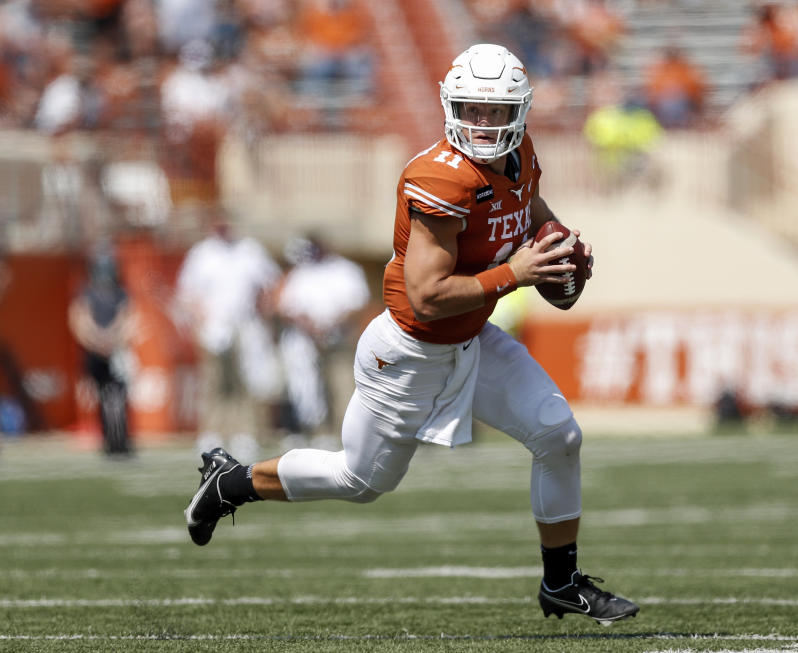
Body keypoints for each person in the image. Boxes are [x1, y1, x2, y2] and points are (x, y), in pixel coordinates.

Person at [184, 43, 639, 626]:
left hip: (472, 340)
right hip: (408, 351)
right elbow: (427, 295)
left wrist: (557, 244)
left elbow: (529, 207)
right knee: (362, 479)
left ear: (519, 114)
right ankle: (233, 482)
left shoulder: (520, 154)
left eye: (495, 111)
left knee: (559, 436)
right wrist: (516, 274)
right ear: (451, 107)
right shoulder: (438, 179)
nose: (482, 123)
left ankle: (562, 582)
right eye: (471, 109)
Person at [173, 209, 282, 458]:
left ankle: (245, 433)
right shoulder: (202, 254)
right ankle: (212, 432)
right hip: (214, 327)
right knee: (214, 383)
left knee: (243, 382)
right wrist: (201, 320)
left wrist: (264, 313)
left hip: (245, 325)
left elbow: (270, 284)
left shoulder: (250, 251)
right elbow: (188, 293)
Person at [274, 233, 370, 446]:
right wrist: (310, 327)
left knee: (342, 386)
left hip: (339, 339)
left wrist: (331, 326)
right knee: (308, 388)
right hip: (306, 341)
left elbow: (358, 304)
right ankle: (317, 432)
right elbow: (286, 306)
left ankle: (345, 433)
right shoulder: (301, 273)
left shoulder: (346, 270)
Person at [68, 246, 136, 456]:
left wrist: (112, 340)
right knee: (105, 397)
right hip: (96, 353)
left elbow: (128, 320)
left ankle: (121, 438)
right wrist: (99, 341)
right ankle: (110, 439)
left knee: (119, 396)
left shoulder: (121, 293)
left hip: (116, 352)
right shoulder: (87, 292)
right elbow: (80, 321)